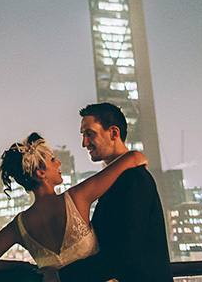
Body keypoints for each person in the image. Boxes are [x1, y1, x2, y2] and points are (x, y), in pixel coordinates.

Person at [0, 131, 147, 277]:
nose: (59, 163)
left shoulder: (19, 226)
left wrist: (27, 267)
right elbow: (134, 157)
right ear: (41, 173)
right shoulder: (77, 197)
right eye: (53, 160)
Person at [56, 102, 172, 282]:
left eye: (89, 134)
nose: (84, 143)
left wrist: (64, 276)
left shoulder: (134, 180)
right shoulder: (120, 179)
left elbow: (125, 253)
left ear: (114, 133)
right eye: (83, 135)